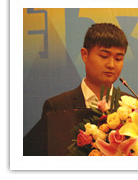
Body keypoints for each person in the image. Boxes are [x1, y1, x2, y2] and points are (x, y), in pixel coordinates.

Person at [24, 23, 128, 155]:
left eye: (118, 58)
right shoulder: (57, 107)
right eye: (104, 56)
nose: (111, 65)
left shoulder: (131, 107)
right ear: (85, 55)